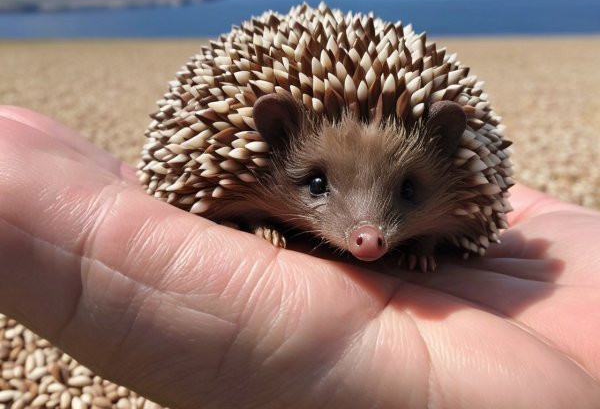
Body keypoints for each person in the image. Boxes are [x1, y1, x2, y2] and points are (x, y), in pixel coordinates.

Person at [0, 105, 599, 409]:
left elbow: (469, 215)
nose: (369, 234)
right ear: (273, 137)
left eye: (407, 192)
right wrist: (257, 221)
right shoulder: (245, 171)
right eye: (317, 184)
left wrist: (428, 241)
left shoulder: (462, 195)